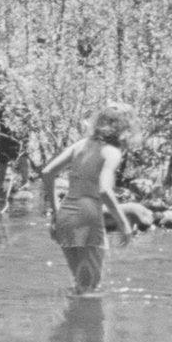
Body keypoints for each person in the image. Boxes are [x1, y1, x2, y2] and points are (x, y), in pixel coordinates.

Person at [47, 115, 125, 296]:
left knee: (81, 286)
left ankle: (73, 322)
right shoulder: (111, 152)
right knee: (90, 289)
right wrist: (124, 224)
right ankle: (85, 323)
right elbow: (105, 191)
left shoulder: (81, 145)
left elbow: (47, 173)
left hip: (65, 215)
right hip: (88, 216)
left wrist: (55, 212)